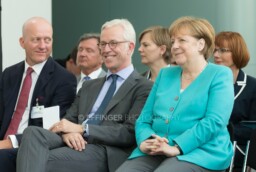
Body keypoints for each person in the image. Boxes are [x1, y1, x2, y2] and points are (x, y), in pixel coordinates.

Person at [16, 18, 153, 172]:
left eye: (113, 43)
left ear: (130, 47)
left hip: (106, 149)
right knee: (32, 133)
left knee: (40, 159)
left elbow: (128, 132)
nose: (106, 49)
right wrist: (67, 132)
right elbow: (69, 119)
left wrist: (82, 129)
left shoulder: (144, 87)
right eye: (103, 44)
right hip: (74, 140)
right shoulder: (89, 85)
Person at [116, 16, 235, 172]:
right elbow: (144, 118)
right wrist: (146, 140)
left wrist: (177, 146)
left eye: (182, 40)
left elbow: (215, 121)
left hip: (202, 152)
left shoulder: (220, 74)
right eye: (173, 42)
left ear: (201, 44)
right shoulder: (165, 74)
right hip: (156, 149)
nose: (174, 46)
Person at [0, 17, 77, 172]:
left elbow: (51, 127)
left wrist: (9, 142)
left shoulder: (63, 79)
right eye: (36, 40)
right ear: (22, 42)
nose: (43, 46)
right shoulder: (9, 74)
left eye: (47, 40)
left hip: (28, 147)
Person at [213, 31, 256, 171]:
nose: (215, 55)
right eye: (214, 50)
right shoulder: (207, 84)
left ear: (237, 52)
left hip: (237, 153)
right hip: (206, 148)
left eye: (222, 50)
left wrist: (223, 131)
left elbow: (254, 128)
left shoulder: (254, 86)